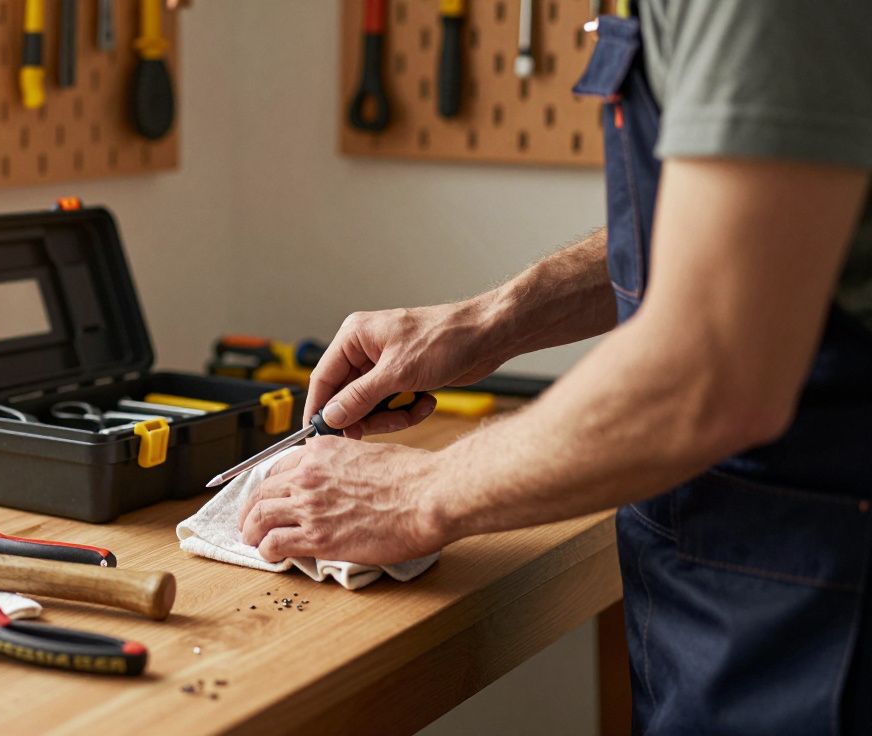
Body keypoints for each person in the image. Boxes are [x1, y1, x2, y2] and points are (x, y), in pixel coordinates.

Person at [238, 2, 872, 733]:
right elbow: (738, 224)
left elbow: (715, 370)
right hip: (722, 578)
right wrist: (491, 321)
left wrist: (417, 493)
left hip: (817, 620)